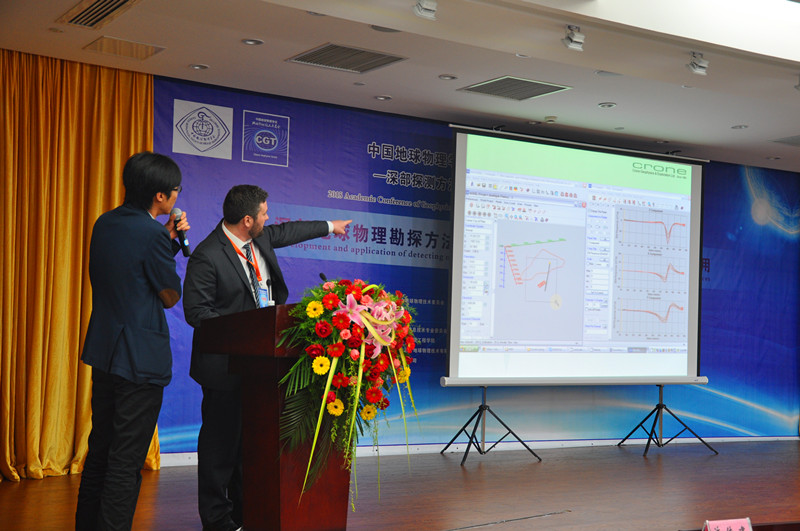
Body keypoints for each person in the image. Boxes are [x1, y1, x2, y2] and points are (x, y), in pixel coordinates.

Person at [183, 184, 351, 531]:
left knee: (249, 448)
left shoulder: (259, 240)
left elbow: (290, 231)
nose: (268, 218)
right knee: (220, 449)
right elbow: (196, 312)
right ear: (247, 220)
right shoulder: (207, 255)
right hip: (225, 368)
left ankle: (245, 514)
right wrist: (245, 331)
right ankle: (216, 520)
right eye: (263, 213)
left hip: (261, 367)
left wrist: (330, 226)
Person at [76, 151, 190, 531]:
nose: (176, 197)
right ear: (160, 196)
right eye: (175, 190)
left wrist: (165, 241)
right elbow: (169, 295)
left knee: (100, 454)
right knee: (126, 462)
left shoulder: (104, 223)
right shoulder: (152, 234)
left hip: (106, 352)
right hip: (139, 362)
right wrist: (168, 244)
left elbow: (129, 276)